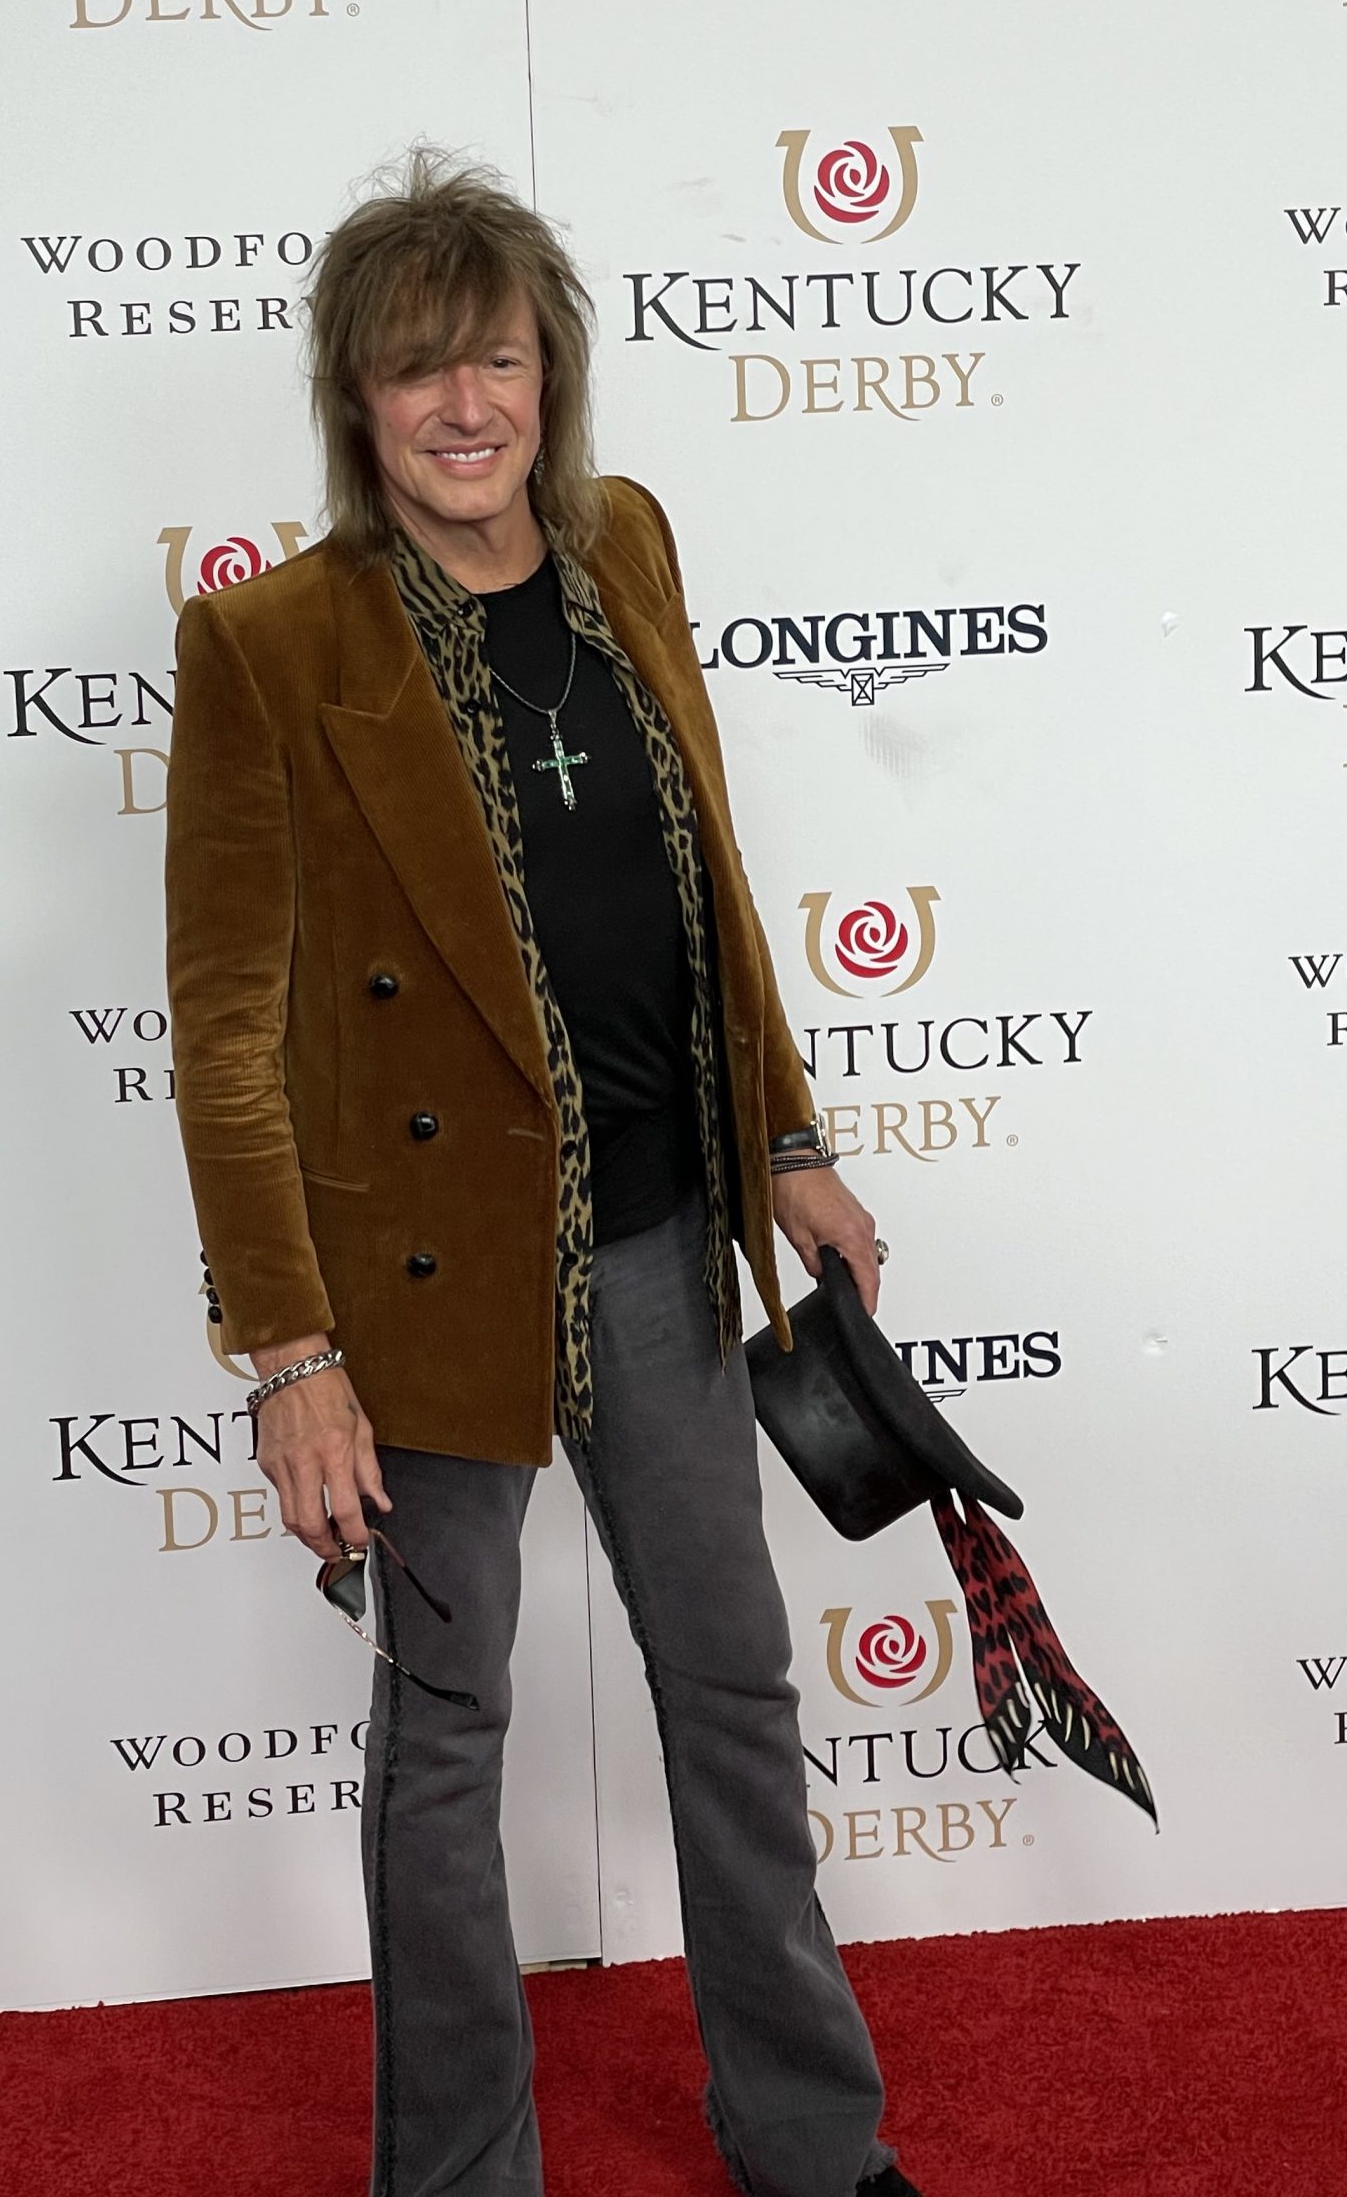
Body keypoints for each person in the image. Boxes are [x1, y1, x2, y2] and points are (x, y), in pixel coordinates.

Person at [165, 151, 920, 2197]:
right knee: (446, 1748)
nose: (463, 406)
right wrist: (289, 1348)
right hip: (418, 1289)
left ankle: (810, 2137)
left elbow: (707, 883)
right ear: (358, 401)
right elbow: (226, 1033)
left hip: (667, 1239)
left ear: (550, 373)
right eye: (417, 373)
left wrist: (782, 1135)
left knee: (740, 1695)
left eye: (494, 356)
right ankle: (463, 2176)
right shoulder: (266, 644)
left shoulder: (629, 552)